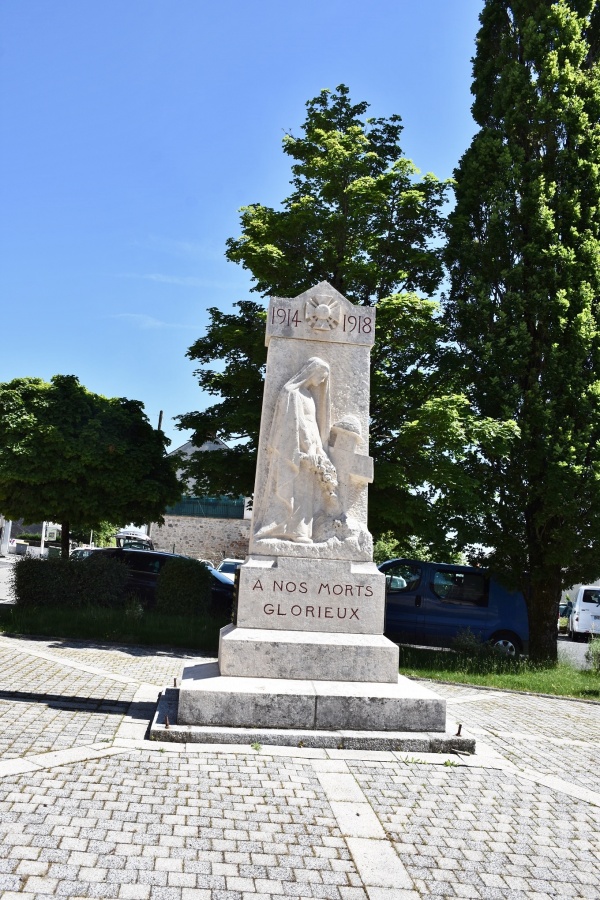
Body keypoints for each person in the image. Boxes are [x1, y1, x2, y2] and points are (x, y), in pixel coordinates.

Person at [254, 356, 338, 543]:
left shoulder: (308, 395)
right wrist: (303, 449)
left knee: (305, 493)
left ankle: (300, 532)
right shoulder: (291, 393)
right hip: (293, 451)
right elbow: (291, 425)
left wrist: (318, 450)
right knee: (291, 489)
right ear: (312, 371)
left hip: (310, 453)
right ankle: (279, 529)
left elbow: (311, 425)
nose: (323, 380)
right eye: (322, 375)